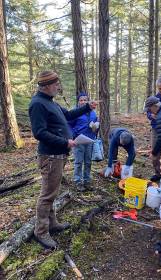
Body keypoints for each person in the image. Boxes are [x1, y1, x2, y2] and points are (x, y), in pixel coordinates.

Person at [29, 71, 97, 249]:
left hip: (58, 155)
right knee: (47, 195)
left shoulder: (51, 102)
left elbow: (68, 115)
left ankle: (52, 223)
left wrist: (87, 107)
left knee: (52, 191)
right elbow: (39, 133)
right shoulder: (37, 104)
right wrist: (65, 142)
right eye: (56, 84)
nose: (58, 87)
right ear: (46, 86)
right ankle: (41, 232)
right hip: (50, 156)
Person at [68, 92, 99, 191]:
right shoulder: (75, 112)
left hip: (90, 140)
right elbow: (68, 126)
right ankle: (78, 181)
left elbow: (96, 125)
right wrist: (74, 135)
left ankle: (87, 181)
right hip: (78, 141)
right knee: (78, 162)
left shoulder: (93, 113)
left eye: (85, 100)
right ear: (78, 102)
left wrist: (96, 127)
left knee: (88, 162)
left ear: (88, 101)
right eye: (81, 100)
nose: (83, 102)